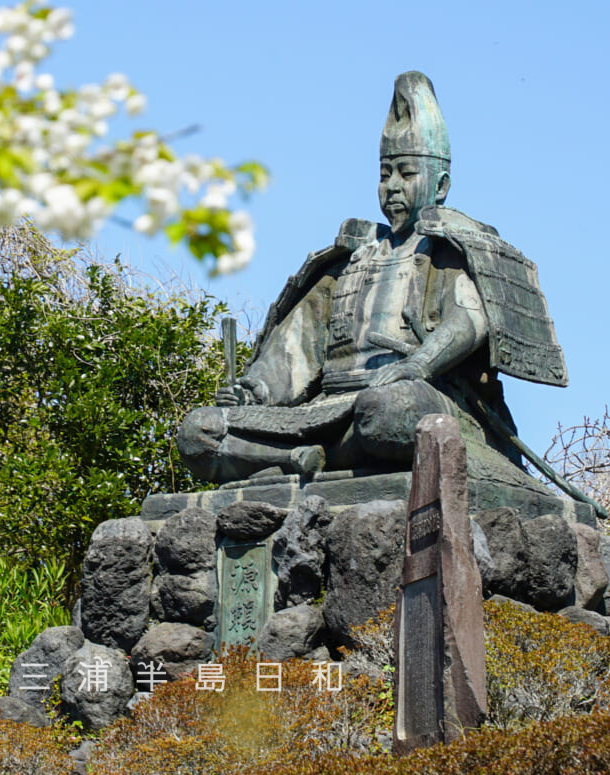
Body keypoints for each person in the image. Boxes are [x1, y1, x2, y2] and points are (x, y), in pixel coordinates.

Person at [178, 71, 567, 485]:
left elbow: (471, 319)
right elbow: (294, 349)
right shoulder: (347, 263)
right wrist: (252, 392)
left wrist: (419, 364)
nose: (392, 186)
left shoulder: (450, 251)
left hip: (408, 400)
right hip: (324, 413)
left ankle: (287, 459)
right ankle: (300, 457)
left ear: (441, 185)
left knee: (386, 414)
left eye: (406, 173)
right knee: (198, 432)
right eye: (384, 174)